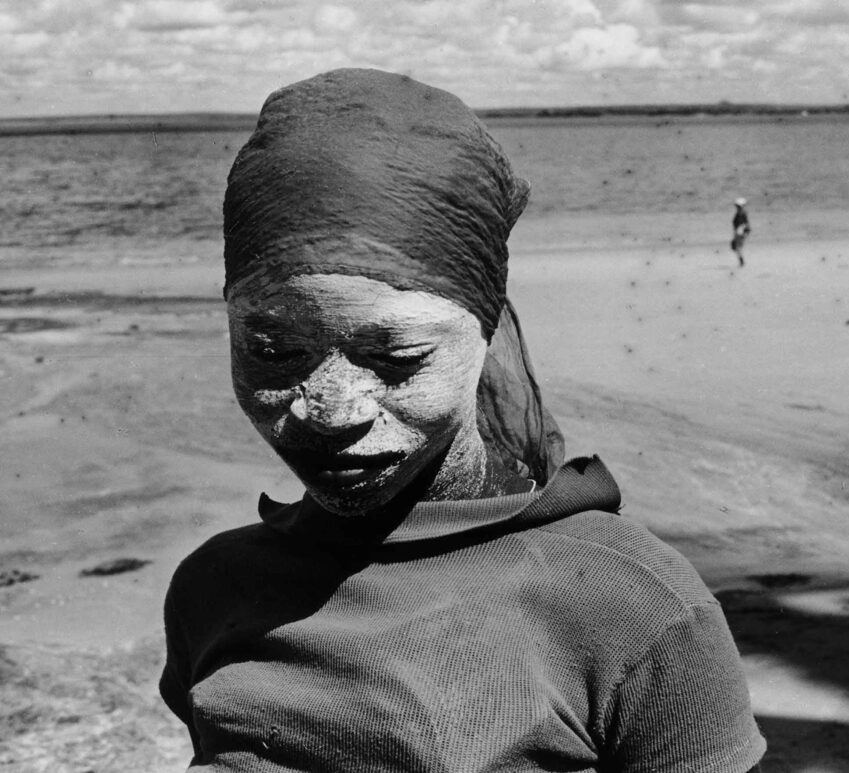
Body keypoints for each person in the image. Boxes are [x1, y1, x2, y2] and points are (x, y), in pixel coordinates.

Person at [160, 68, 766, 772]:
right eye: (273, 351)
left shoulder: (632, 609)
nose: (332, 411)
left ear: (485, 337)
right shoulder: (214, 588)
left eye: (396, 358)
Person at [731, 198, 751, 267]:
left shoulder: (741, 213)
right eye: (737, 206)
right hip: (740, 232)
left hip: (740, 232)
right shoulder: (742, 213)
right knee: (736, 247)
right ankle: (741, 261)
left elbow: (743, 224)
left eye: (738, 206)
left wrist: (744, 232)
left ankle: (741, 261)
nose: (737, 207)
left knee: (737, 247)